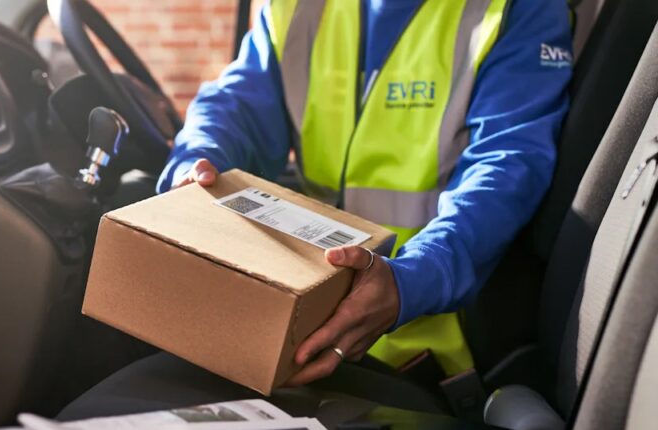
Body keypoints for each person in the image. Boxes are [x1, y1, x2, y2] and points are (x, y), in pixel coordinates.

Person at [62, 0, 573, 418]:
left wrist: (409, 282)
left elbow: (507, 167)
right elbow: (234, 105)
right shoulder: (298, 8)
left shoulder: (513, 11)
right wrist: (194, 166)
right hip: (288, 318)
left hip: (412, 355)